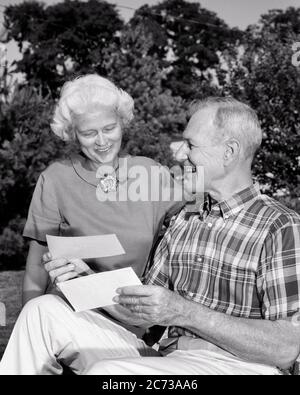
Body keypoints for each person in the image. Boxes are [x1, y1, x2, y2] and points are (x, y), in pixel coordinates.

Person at [1, 97, 300, 375]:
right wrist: (87, 279)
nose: (179, 153)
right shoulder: (185, 219)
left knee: (110, 374)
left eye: (190, 145)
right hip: (167, 360)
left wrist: (184, 312)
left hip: (237, 366)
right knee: (42, 312)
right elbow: (144, 316)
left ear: (229, 152)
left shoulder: (279, 226)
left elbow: (286, 348)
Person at [22, 74, 183, 305]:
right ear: (72, 134)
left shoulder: (151, 173)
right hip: (70, 307)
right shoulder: (54, 180)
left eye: (109, 128)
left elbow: (195, 226)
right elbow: (36, 266)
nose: (101, 141)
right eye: (89, 133)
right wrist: (29, 313)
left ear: (122, 123)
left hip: (133, 309)